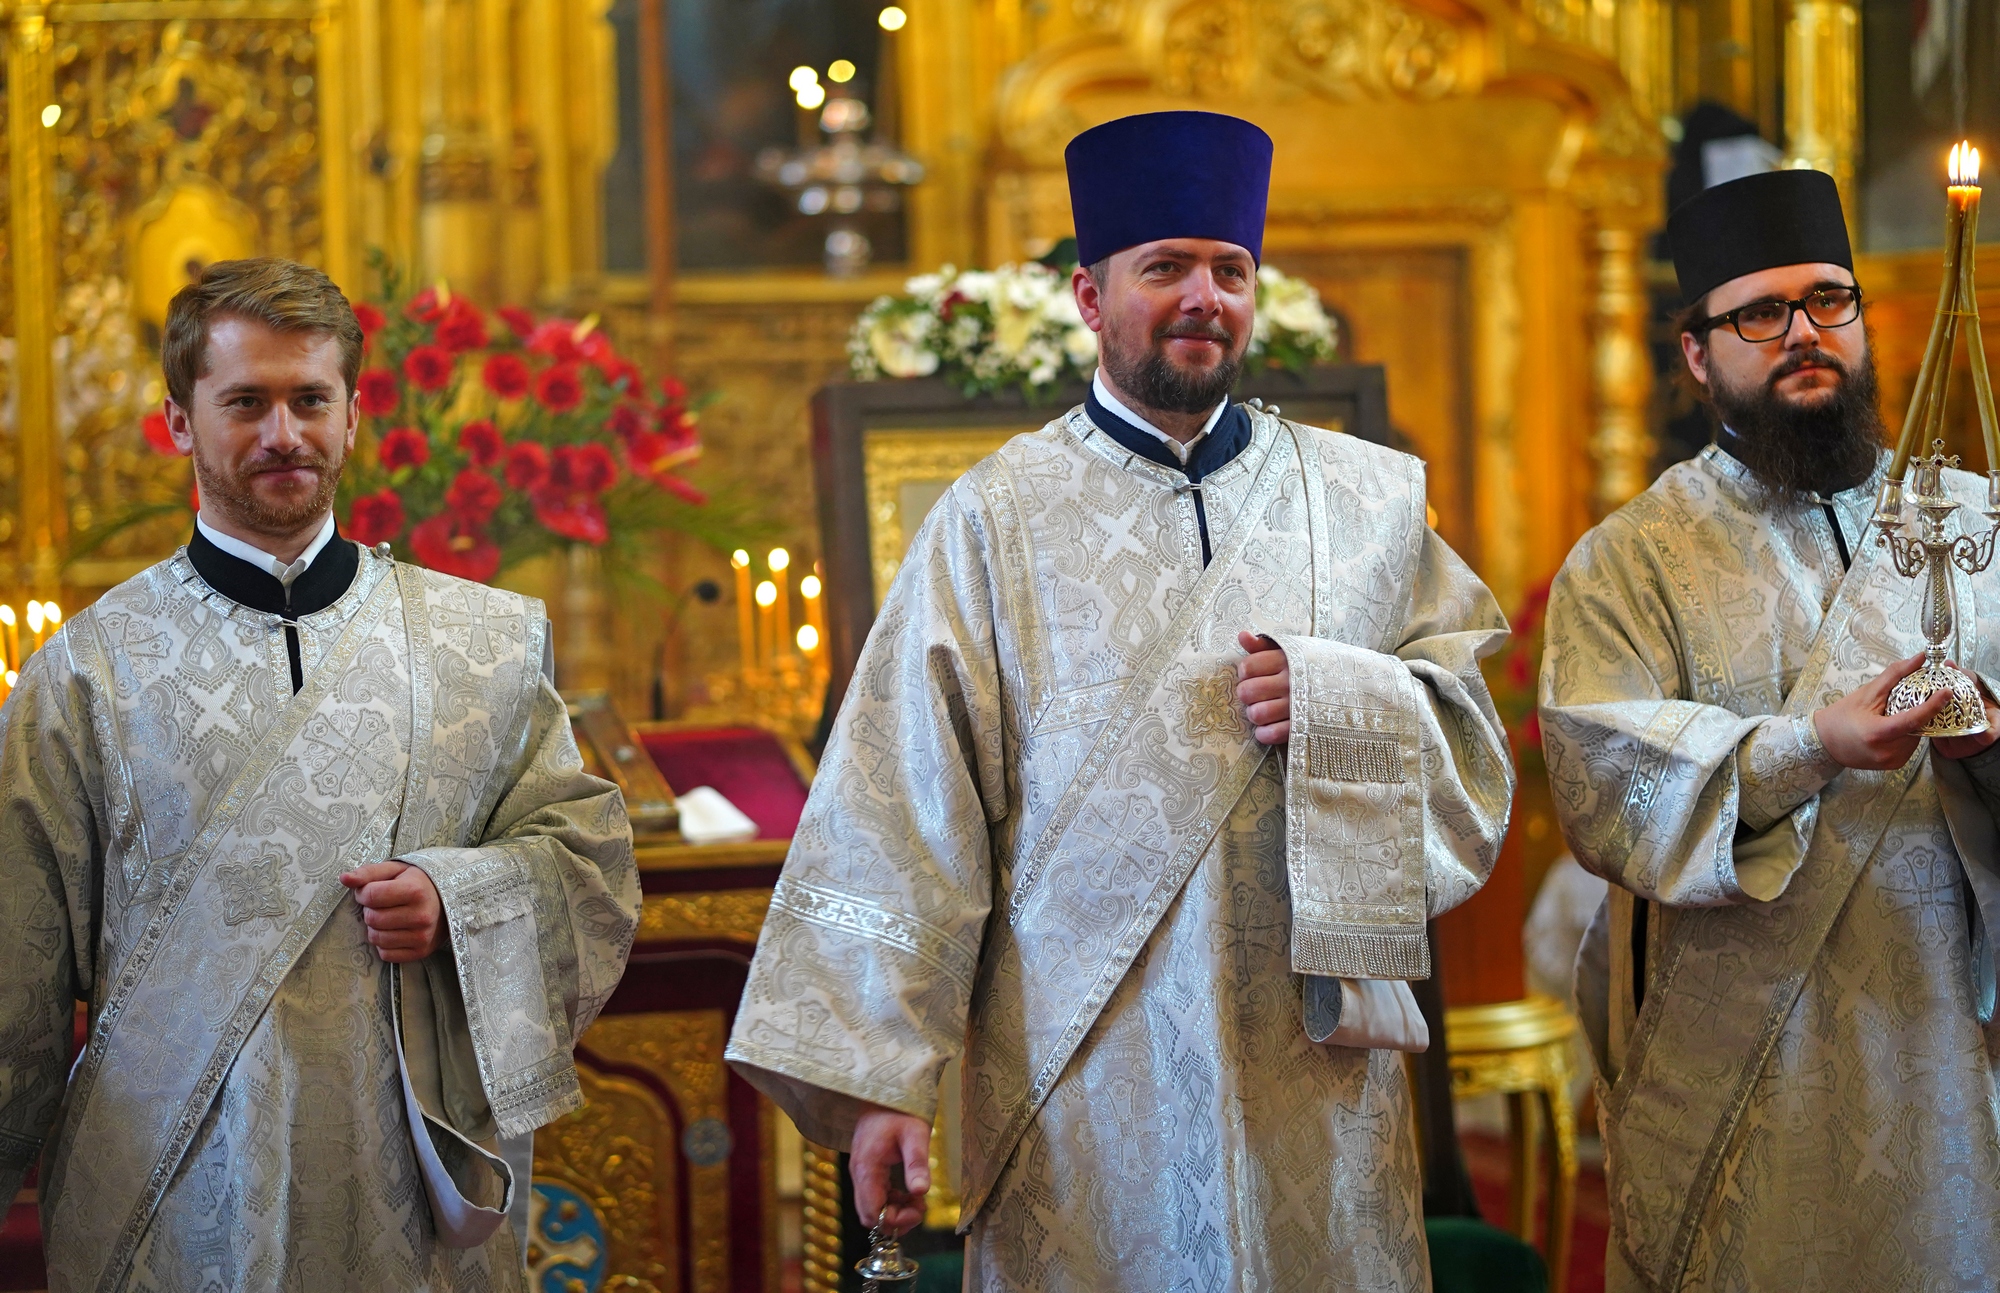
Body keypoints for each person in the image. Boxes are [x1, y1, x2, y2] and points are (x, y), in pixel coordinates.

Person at [725, 110, 1514, 1288]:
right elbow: (899, 802)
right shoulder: (994, 516)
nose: (1204, 296)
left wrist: (1348, 702)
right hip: (1080, 1067)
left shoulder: (1367, 500)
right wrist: (881, 1079)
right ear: (1093, 299)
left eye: (1228, 270)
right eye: (1166, 269)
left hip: (1311, 1065)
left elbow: (1471, 736)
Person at [0, 258, 640, 1291]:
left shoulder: (477, 645)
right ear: (179, 422)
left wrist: (456, 895)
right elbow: (12, 969)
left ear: (351, 414)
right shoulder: (91, 671)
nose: (282, 434)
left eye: (309, 400)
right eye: (244, 403)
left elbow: (591, 862)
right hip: (175, 1195)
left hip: (413, 1177)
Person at [1541, 168, 2000, 1291]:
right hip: (1746, 1060)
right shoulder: (1627, 558)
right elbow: (1602, 780)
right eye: (1759, 313)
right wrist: (1813, 746)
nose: (1802, 333)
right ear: (1697, 353)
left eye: (1826, 300)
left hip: (1940, 1029)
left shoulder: (1973, 524)